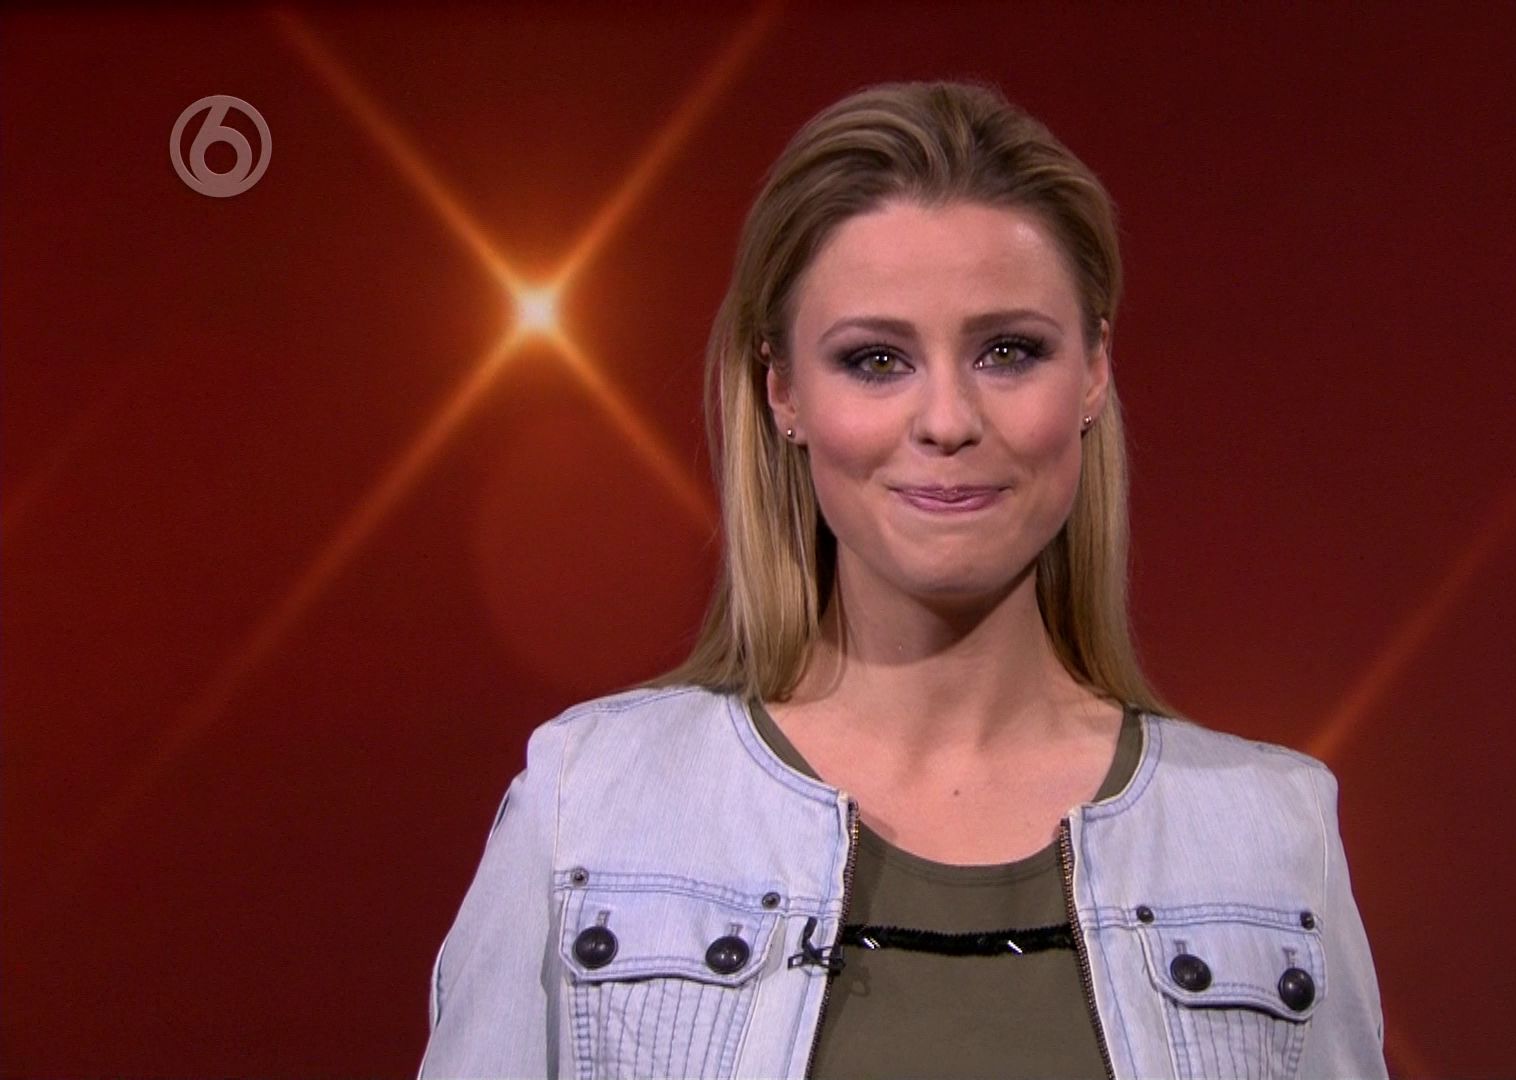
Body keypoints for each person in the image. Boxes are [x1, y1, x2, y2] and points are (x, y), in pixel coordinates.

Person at [418, 79, 1388, 1080]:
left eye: (1008, 351)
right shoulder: (587, 809)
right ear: (783, 391)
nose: (948, 421)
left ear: (1094, 373)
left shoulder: (1272, 841)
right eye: (877, 360)